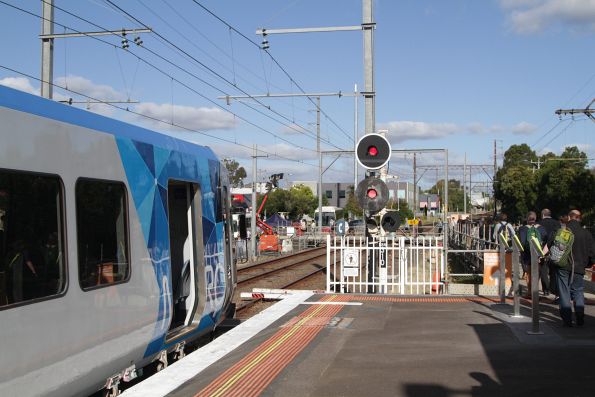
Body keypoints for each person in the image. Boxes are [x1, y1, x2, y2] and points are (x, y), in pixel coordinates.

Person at [556, 210, 595, 327]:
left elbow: (556, 249)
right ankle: (579, 314)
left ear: (569, 217)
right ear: (580, 218)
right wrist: (587, 263)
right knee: (578, 291)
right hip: (579, 267)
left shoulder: (564, 232)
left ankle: (567, 318)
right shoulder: (586, 233)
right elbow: (592, 252)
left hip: (563, 266)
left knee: (564, 291)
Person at [517, 211, 548, 297]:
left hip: (527, 255)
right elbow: (546, 240)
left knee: (529, 273)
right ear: (535, 218)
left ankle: (530, 292)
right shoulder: (541, 228)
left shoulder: (523, 229)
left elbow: (522, 243)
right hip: (539, 254)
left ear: (527, 219)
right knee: (537, 273)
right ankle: (535, 291)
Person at [540, 209, 561, 299]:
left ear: (542, 215)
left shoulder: (540, 223)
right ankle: (554, 289)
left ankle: (546, 290)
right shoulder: (557, 223)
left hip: (543, 248)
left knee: (543, 269)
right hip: (555, 249)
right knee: (554, 270)